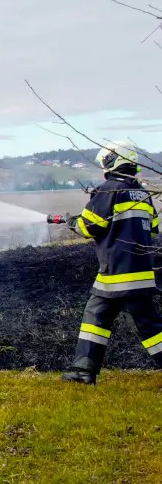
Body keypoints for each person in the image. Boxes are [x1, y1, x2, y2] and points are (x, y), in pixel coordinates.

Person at [62, 141, 161, 384]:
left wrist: (71, 222)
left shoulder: (108, 191)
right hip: (139, 273)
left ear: (112, 161)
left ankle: (84, 371)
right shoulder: (143, 194)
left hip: (117, 273)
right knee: (97, 316)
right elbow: (154, 228)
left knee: (146, 327)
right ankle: (83, 371)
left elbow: (88, 227)